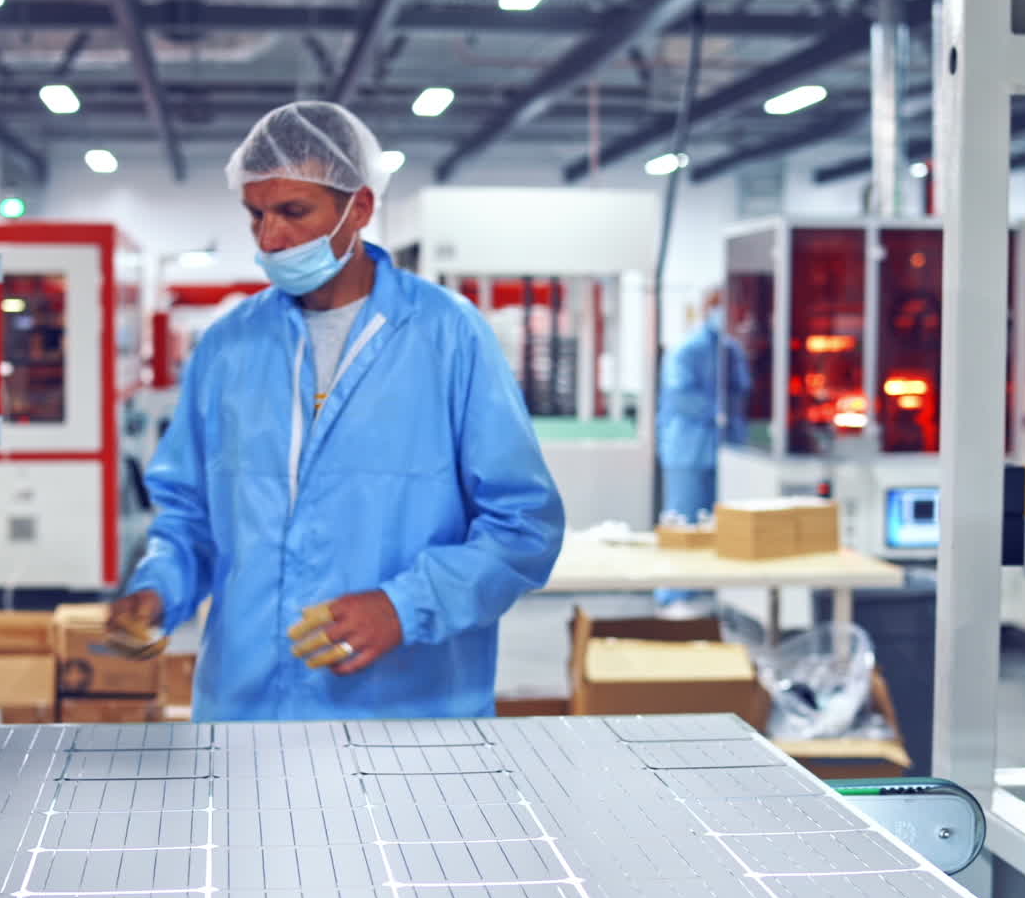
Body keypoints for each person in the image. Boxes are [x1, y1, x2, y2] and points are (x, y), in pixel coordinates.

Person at [110, 101, 565, 720]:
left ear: (359, 208)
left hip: (408, 711)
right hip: (249, 710)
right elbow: (190, 519)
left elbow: (522, 525)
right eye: (256, 215)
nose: (270, 238)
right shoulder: (228, 346)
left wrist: (406, 605)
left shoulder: (447, 337)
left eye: (294, 212)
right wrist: (158, 589)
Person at [655, 287, 751, 613]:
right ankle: (675, 595)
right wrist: (718, 413)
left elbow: (744, 390)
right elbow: (682, 398)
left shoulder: (732, 350)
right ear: (710, 307)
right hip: (688, 449)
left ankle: (716, 595)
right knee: (684, 522)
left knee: (722, 526)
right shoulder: (685, 350)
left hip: (727, 451)